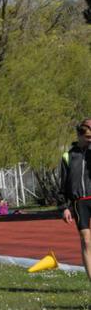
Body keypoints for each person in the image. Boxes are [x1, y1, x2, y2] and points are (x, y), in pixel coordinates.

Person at [59, 118, 91, 280]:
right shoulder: (68, 156)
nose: (90, 140)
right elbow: (63, 184)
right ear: (79, 135)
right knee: (86, 241)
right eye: (88, 137)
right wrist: (65, 207)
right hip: (80, 202)